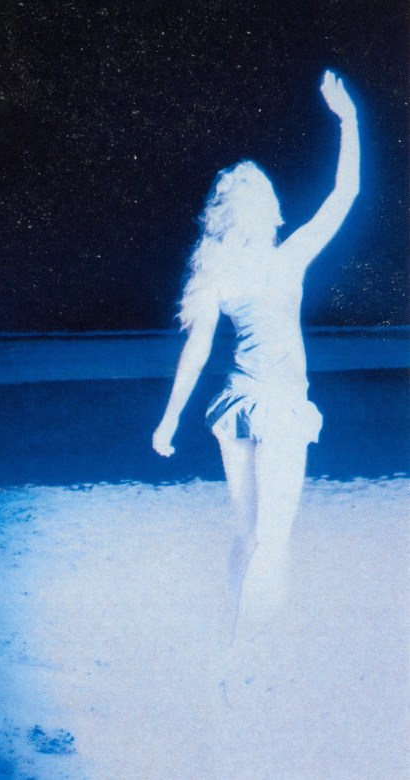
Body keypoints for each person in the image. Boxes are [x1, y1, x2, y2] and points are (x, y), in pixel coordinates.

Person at [152, 71, 359, 642]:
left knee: (249, 537)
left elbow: (196, 354)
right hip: (280, 406)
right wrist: (348, 119)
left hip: (237, 405)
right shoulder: (287, 259)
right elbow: (344, 194)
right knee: (273, 539)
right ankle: (251, 647)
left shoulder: (216, 274)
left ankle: (233, 636)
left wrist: (169, 420)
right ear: (267, 210)